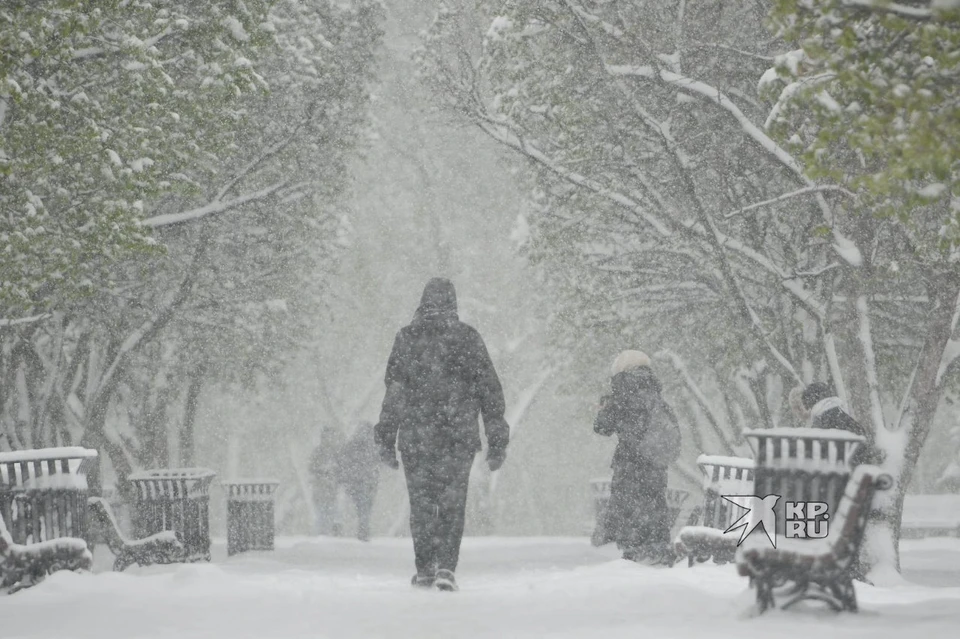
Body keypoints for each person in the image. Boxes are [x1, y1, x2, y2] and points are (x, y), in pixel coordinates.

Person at [374, 278, 510, 592]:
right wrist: (497, 439)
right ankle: (447, 566)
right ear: (453, 303)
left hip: (417, 437)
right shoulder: (468, 339)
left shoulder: (407, 339)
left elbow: (394, 394)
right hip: (457, 437)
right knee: (452, 503)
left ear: (422, 302)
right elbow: (490, 392)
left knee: (422, 505)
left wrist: (385, 438)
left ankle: (424, 567)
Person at [594, 350, 681, 565]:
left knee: (629, 506)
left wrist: (605, 408)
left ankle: (634, 553)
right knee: (654, 503)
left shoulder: (623, 389)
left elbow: (601, 426)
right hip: (655, 463)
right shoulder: (654, 391)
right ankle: (657, 550)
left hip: (631, 462)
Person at [791, 382, 879, 467]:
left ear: (807, 404)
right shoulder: (846, 418)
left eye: (798, 408)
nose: (797, 413)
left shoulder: (820, 425)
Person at [334, 421, 380, 542]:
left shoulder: (352, 446)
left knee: (363, 507)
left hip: (359, 482)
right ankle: (362, 530)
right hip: (362, 482)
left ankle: (356, 530)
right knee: (364, 507)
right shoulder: (370, 446)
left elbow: (342, 462)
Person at [309, 425, 346, 536]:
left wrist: (336, 475)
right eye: (327, 436)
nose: (329, 438)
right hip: (321, 487)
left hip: (331, 488)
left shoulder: (335, 452)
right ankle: (321, 535)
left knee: (332, 511)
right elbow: (311, 468)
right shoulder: (318, 452)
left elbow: (341, 468)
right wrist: (324, 471)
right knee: (322, 512)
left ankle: (333, 532)